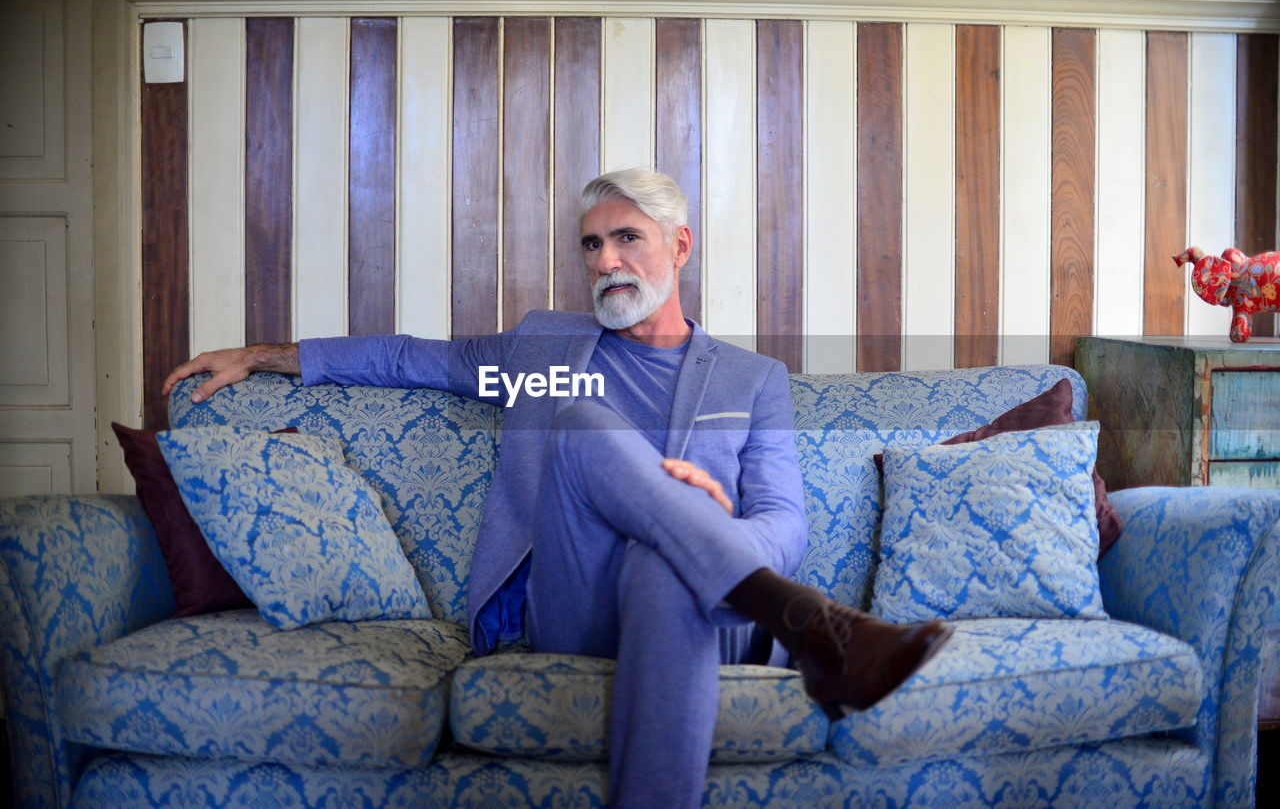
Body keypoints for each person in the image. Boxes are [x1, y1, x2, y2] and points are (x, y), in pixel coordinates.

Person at [163, 168, 952, 808]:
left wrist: (705, 523)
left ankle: (760, 600)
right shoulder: (546, 349)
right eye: (592, 246)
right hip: (574, 603)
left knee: (661, 564)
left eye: (627, 239)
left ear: (679, 246)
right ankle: (814, 627)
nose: (607, 261)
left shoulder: (753, 378)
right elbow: (413, 360)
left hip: (714, 611)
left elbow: (784, 521)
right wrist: (263, 356)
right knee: (577, 419)